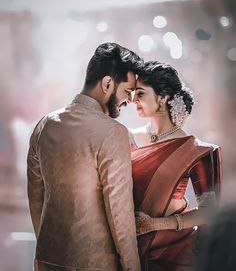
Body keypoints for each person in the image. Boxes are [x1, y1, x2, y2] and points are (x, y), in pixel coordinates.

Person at [27, 42, 143, 271]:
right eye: (127, 91)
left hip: (48, 260)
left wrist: (47, 250)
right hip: (95, 264)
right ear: (108, 83)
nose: (129, 100)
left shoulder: (45, 125)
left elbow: (36, 197)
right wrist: (133, 267)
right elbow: (119, 211)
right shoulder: (113, 133)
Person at [129, 61, 222, 271]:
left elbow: (209, 212)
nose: (133, 99)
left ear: (162, 98)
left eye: (141, 93)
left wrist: (154, 224)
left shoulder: (197, 151)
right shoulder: (126, 138)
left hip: (173, 252)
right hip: (126, 246)